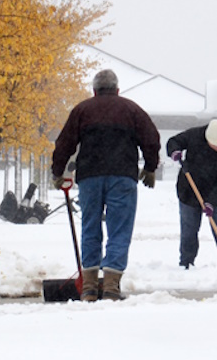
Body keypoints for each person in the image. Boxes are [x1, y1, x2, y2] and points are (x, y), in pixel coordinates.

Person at [51, 69, 161, 301]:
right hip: (122, 177)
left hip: (90, 177)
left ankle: (89, 288)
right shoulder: (131, 109)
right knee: (119, 230)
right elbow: (151, 138)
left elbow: (65, 142)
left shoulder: (82, 110)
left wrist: (57, 171)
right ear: (117, 90)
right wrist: (150, 167)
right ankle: (111, 287)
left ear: (94, 91)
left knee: (90, 227)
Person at [166, 119, 217, 269]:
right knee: (189, 228)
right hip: (190, 191)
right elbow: (174, 141)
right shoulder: (194, 135)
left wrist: (211, 201)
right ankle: (186, 262)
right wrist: (175, 152)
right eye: (214, 144)